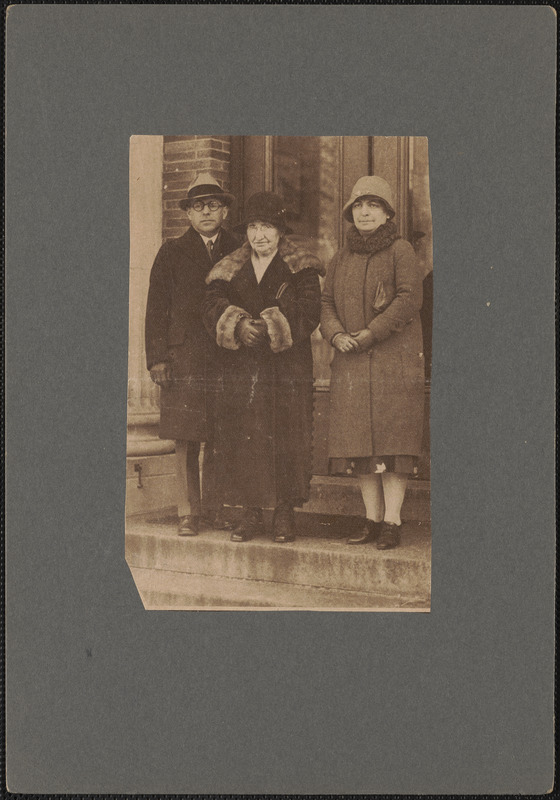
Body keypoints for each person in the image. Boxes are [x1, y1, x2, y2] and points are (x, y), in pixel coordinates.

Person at [203, 192, 324, 543]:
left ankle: (284, 514)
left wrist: (274, 327)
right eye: (254, 227)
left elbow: (309, 311)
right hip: (243, 368)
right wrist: (237, 325)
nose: (260, 235)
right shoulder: (229, 267)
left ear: (280, 231)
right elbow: (210, 304)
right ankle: (250, 514)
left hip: (287, 368)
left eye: (267, 227)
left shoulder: (300, 266)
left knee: (289, 435)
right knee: (245, 436)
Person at [320, 176, 425, 550]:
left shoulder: (401, 252)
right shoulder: (340, 257)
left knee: (394, 445)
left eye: (373, 205)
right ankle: (371, 519)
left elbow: (409, 299)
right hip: (350, 363)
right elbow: (326, 302)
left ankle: (393, 522)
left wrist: (370, 332)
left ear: (387, 214)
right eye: (358, 206)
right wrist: (335, 335)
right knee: (359, 446)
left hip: (393, 364)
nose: (364, 212)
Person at [145, 173, 239, 536]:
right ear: (187, 213)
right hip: (183, 357)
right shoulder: (171, 251)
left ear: (225, 211)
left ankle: (216, 508)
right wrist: (157, 359)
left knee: (222, 431)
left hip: (226, 355)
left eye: (213, 205)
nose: (206, 213)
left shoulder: (238, 248)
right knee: (185, 436)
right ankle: (188, 512)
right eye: (198, 207)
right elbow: (156, 308)